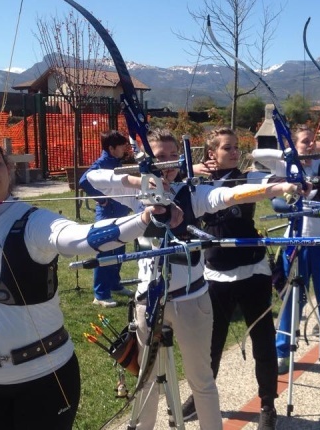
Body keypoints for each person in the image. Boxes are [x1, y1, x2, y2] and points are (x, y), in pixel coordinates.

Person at [0, 135, 169, 430]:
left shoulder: (33, 221)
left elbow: (82, 238)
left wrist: (143, 219)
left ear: (8, 171)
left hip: (44, 376)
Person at [86, 128, 307, 430]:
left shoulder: (193, 193)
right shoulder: (135, 194)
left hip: (191, 300)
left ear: (180, 160)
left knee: (202, 380)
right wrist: (144, 180)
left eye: (170, 158)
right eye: (158, 158)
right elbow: (91, 179)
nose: (166, 165)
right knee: (146, 380)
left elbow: (229, 195)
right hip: (148, 301)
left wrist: (277, 188)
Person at [179, 127, 279, 424]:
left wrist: (287, 181)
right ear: (212, 154)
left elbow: (272, 182)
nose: (235, 152)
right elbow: (165, 181)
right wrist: (191, 169)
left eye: (236, 147)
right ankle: (201, 397)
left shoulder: (249, 177)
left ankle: (267, 405)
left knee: (263, 340)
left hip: (253, 271)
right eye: (227, 148)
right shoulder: (197, 182)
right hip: (215, 273)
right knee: (211, 343)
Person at [273, 125, 320, 381]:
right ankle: (282, 352)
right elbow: (278, 202)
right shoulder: (286, 169)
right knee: (291, 301)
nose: (311, 145)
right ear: (293, 145)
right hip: (296, 244)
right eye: (305, 142)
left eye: (313, 141)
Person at [79, 130, 134, 308]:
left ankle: (115, 284)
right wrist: (101, 199)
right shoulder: (102, 163)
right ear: (111, 148)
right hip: (108, 215)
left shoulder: (116, 161)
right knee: (106, 252)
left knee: (119, 251)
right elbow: (83, 181)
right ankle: (101, 294)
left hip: (120, 213)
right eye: (122, 146)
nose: (125, 149)